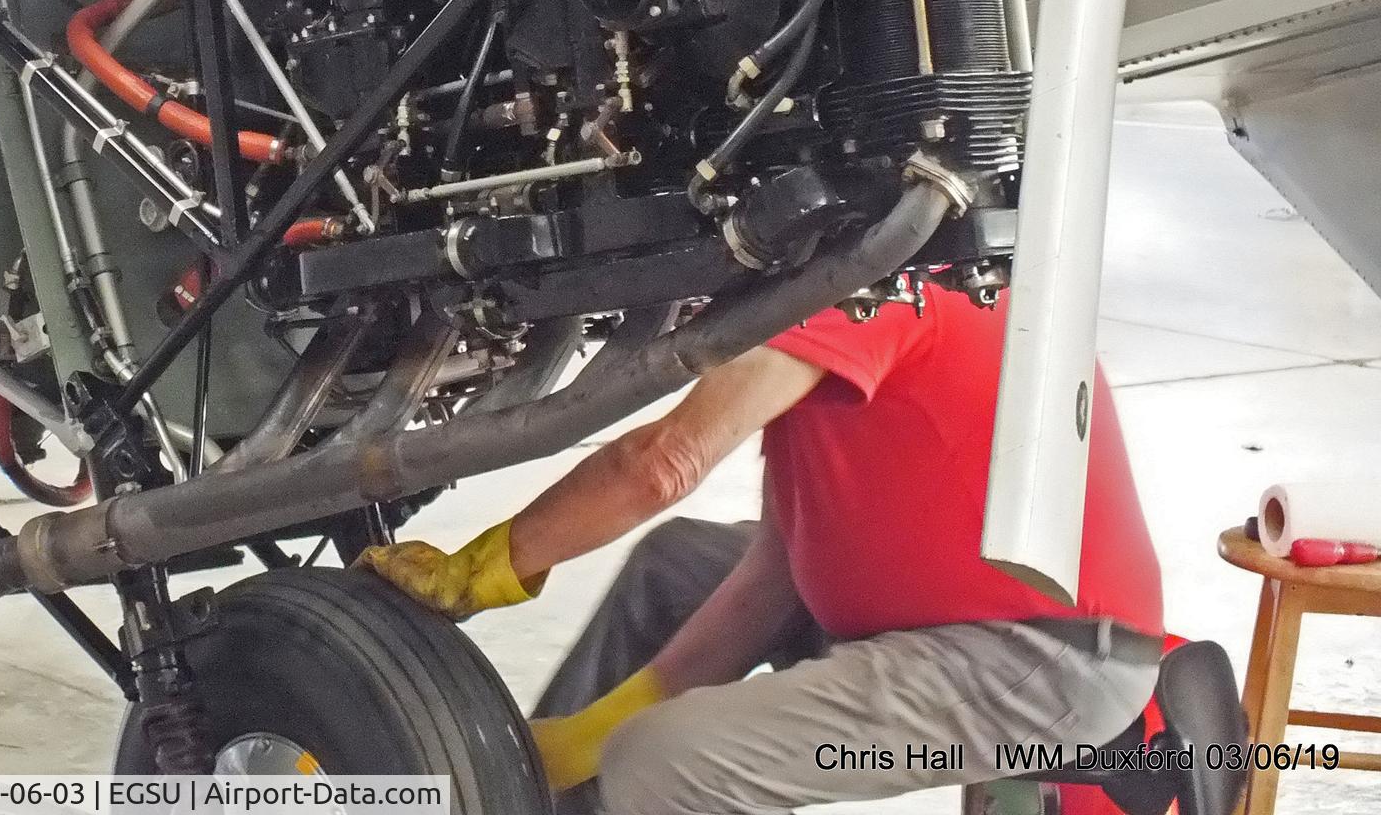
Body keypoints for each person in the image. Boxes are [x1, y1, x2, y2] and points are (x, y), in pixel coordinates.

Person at [359, 284, 1164, 815]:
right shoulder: (840, 294)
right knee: (675, 569)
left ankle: (615, 783)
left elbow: (663, 463)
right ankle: (537, 794)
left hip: (1041, 661)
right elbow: (778, 573)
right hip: (943, 613)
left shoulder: (857, 281)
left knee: (663, 762)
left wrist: (485, 568)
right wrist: (591, 730)